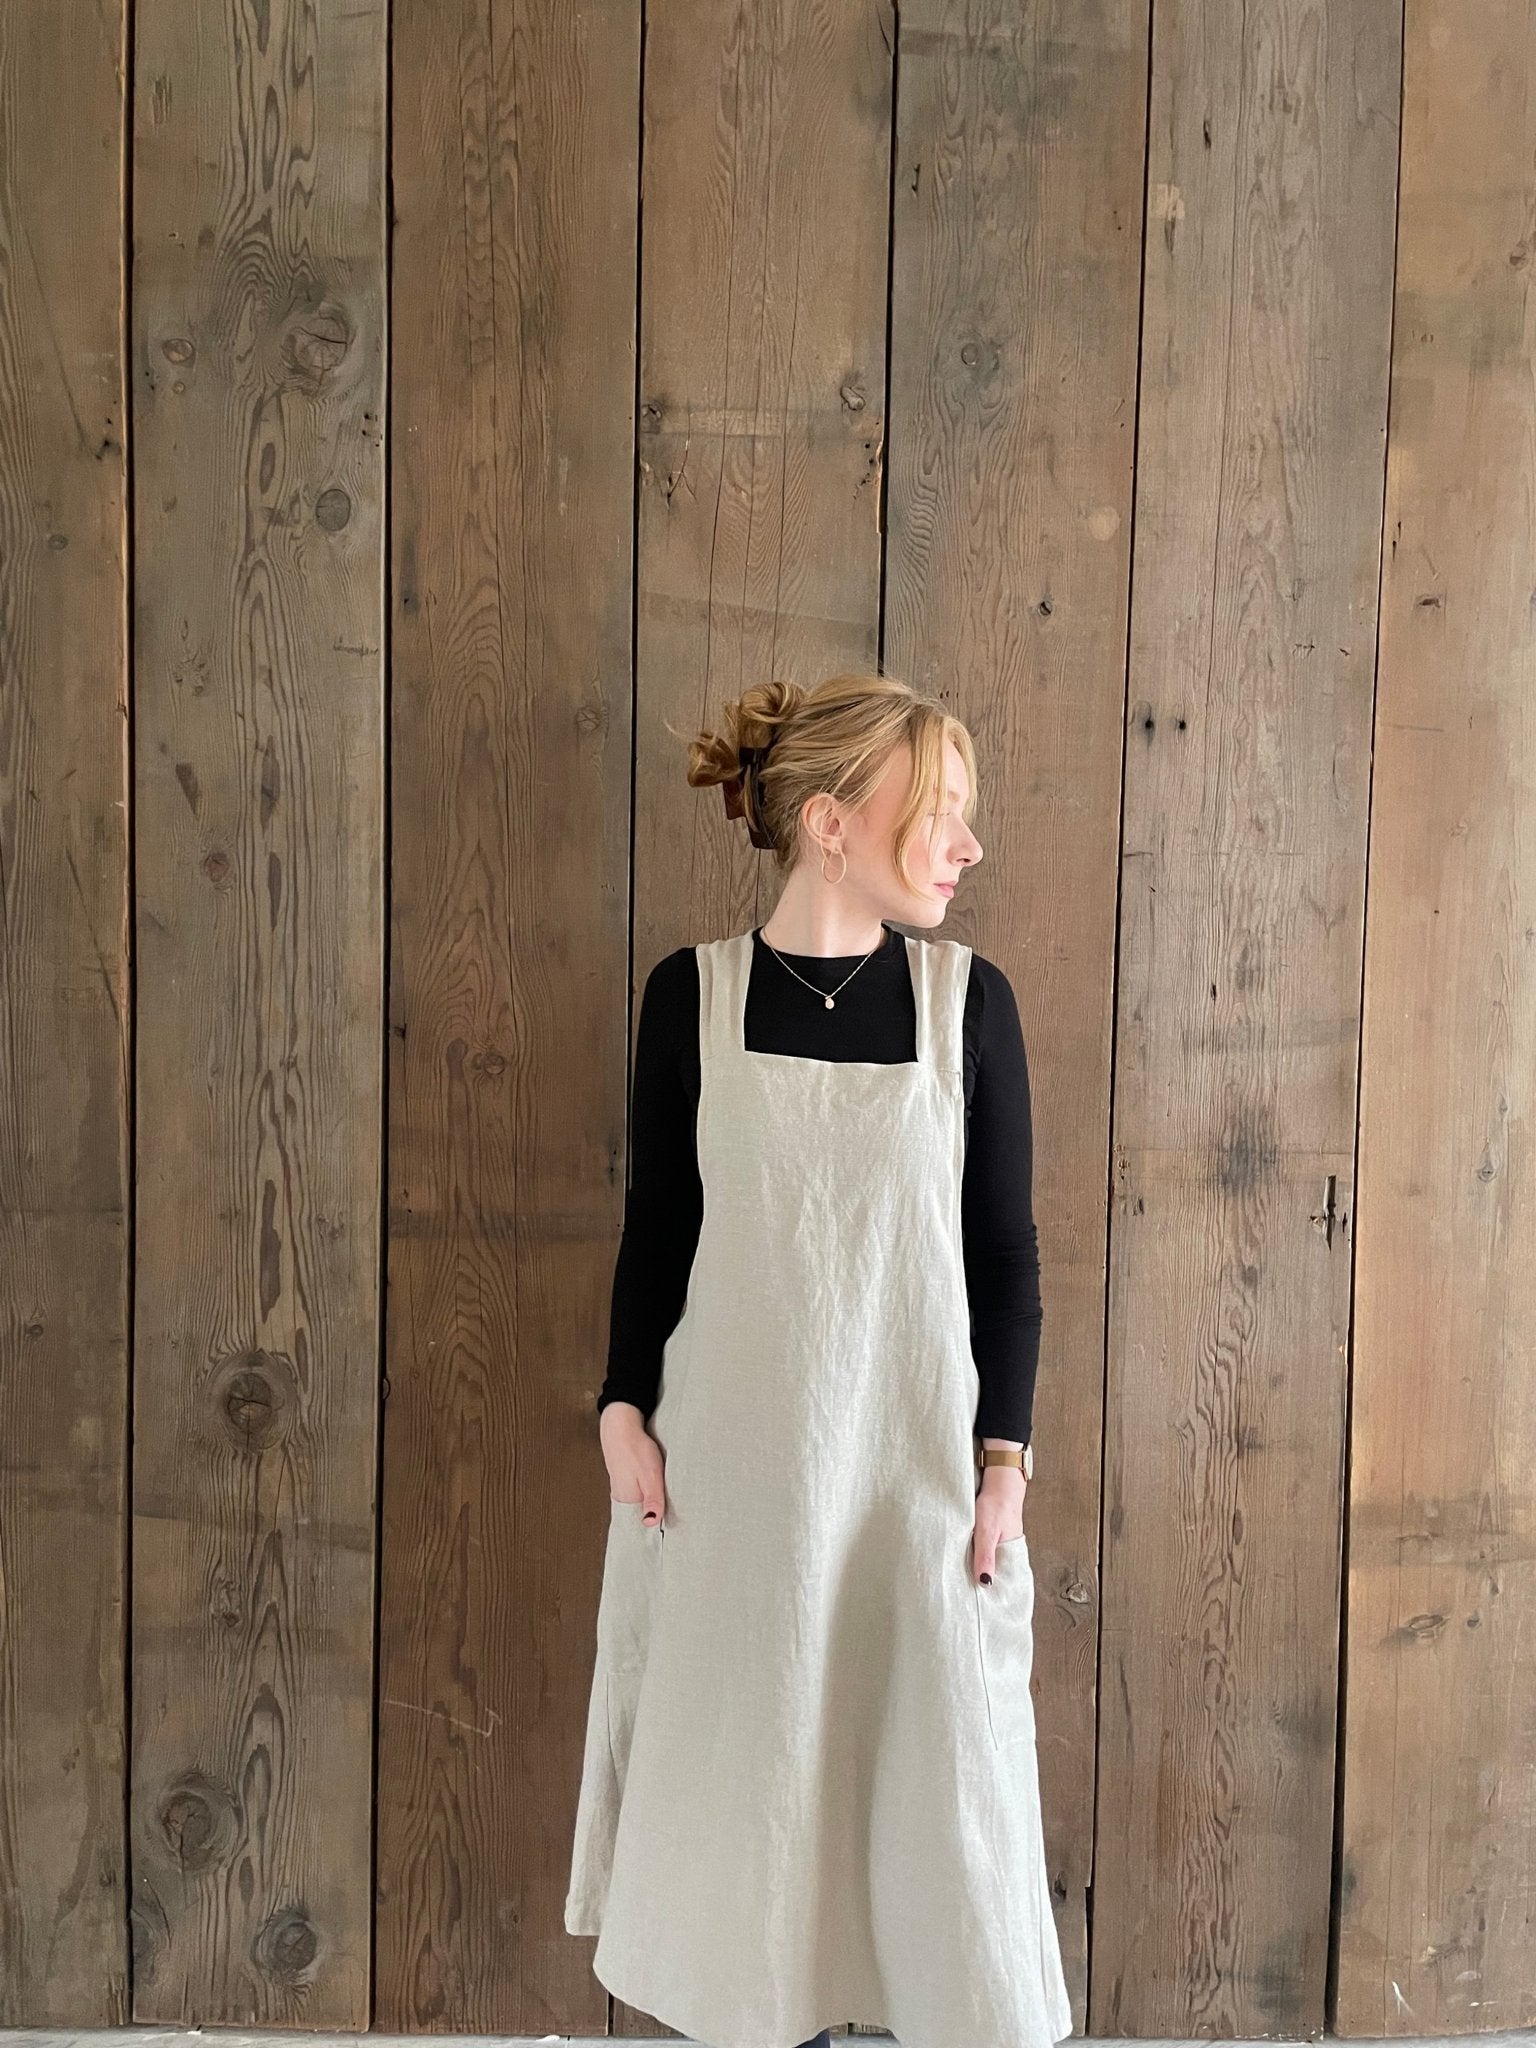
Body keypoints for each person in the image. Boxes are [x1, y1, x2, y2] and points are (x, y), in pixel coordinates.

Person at [564, 671, 1073, 2048]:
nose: (969, 844)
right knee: (754, 1835)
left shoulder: (970, 1008)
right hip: (736, 1496)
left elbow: (1006, 1264)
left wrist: (1003, 1466)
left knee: (926, 1841)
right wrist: (621, 1409)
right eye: (945, 811)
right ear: (834, 822)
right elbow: (658, 1231)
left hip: (912, 1491)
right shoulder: (695, 1000)